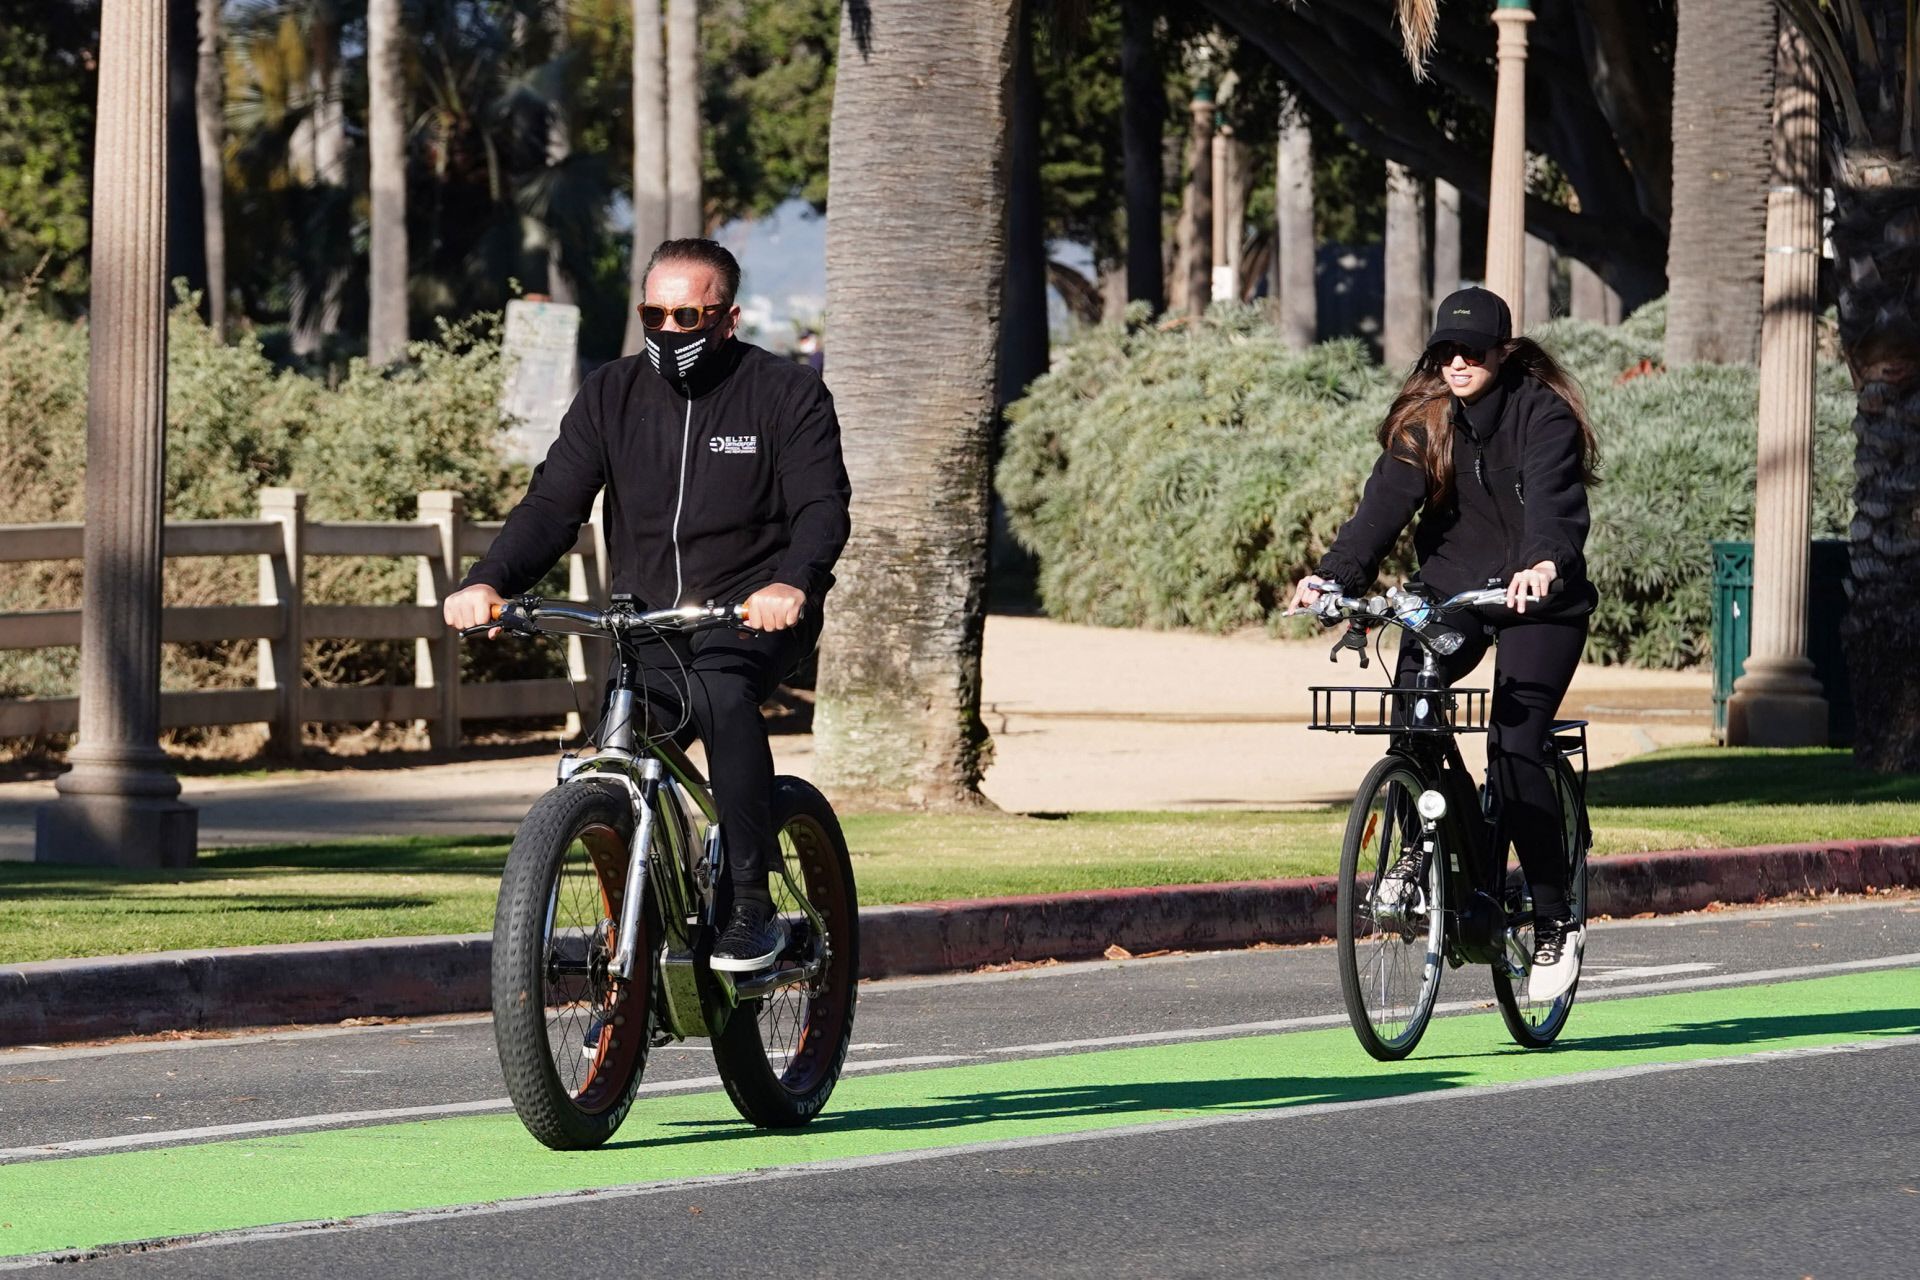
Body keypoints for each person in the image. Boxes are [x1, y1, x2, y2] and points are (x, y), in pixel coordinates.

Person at [443, 238, 851, 973]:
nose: (669, 332)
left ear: (727, 317)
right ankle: (631, 950)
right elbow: (551, 506)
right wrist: (489, 579)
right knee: (615, 760)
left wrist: (792, 583)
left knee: (723, 695)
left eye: (688, 315)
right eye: (653, 315)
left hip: (748, 618)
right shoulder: (611, 393)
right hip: (645, 624)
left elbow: (823, 507)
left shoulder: (785, 393)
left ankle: (752, 908)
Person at [1289, 286, 1600, 1003]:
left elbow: (1556, 508)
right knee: (1412, 710)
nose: (1458, 363)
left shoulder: (1541, 415)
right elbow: (1382, 508)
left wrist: (1545, 563)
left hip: (1538, 600)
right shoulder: (1426, 421)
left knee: (1515, 745)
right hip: (1456, 588)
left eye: (1473, 352)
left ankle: (1554, 920)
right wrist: (1333, 577)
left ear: (1503, 352)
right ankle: (1415, 850)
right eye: (1445, 352)